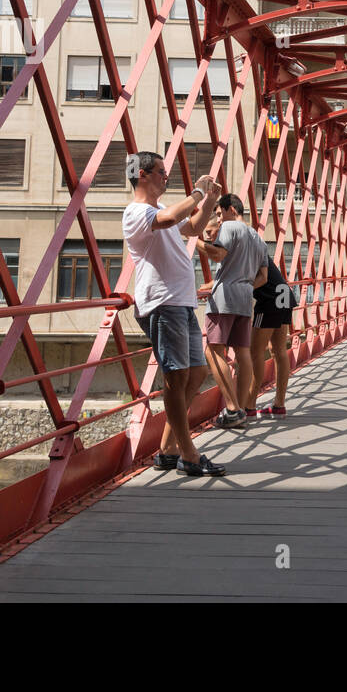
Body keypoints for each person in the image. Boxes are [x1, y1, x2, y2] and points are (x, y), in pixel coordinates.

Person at [122, 152, 225, 477]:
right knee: (176, 375)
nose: (166, 177)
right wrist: (196, 192)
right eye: (161, 173)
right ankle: (188, 455)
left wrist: (209, 199)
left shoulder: (156, 211)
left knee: (196, 373)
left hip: (180, 302)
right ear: (142, 174)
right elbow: (168, 220)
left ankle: (167, 448)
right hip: (162, 303)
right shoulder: (136, 213)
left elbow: (193, 226)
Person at [196, 195, 267, 421]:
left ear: (231, 210)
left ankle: (233, 408)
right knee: (242, 353)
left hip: (224, 299)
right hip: (245, 299)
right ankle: (244, 406)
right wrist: (243, 285)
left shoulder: (229, 226)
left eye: (219, 213)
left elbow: (218, 254)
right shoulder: (258, 238)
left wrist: (192, 240)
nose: (218, 219)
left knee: (213, 350)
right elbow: (263, 277)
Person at [250, 251, 297, 418]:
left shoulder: (239, 248)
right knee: (278, 351)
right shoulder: (255, 245)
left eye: (211, 233)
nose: (211, 238)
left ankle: (248, 405)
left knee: (254, 353)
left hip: (270, 300)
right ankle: (279, 404)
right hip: (284, 294)